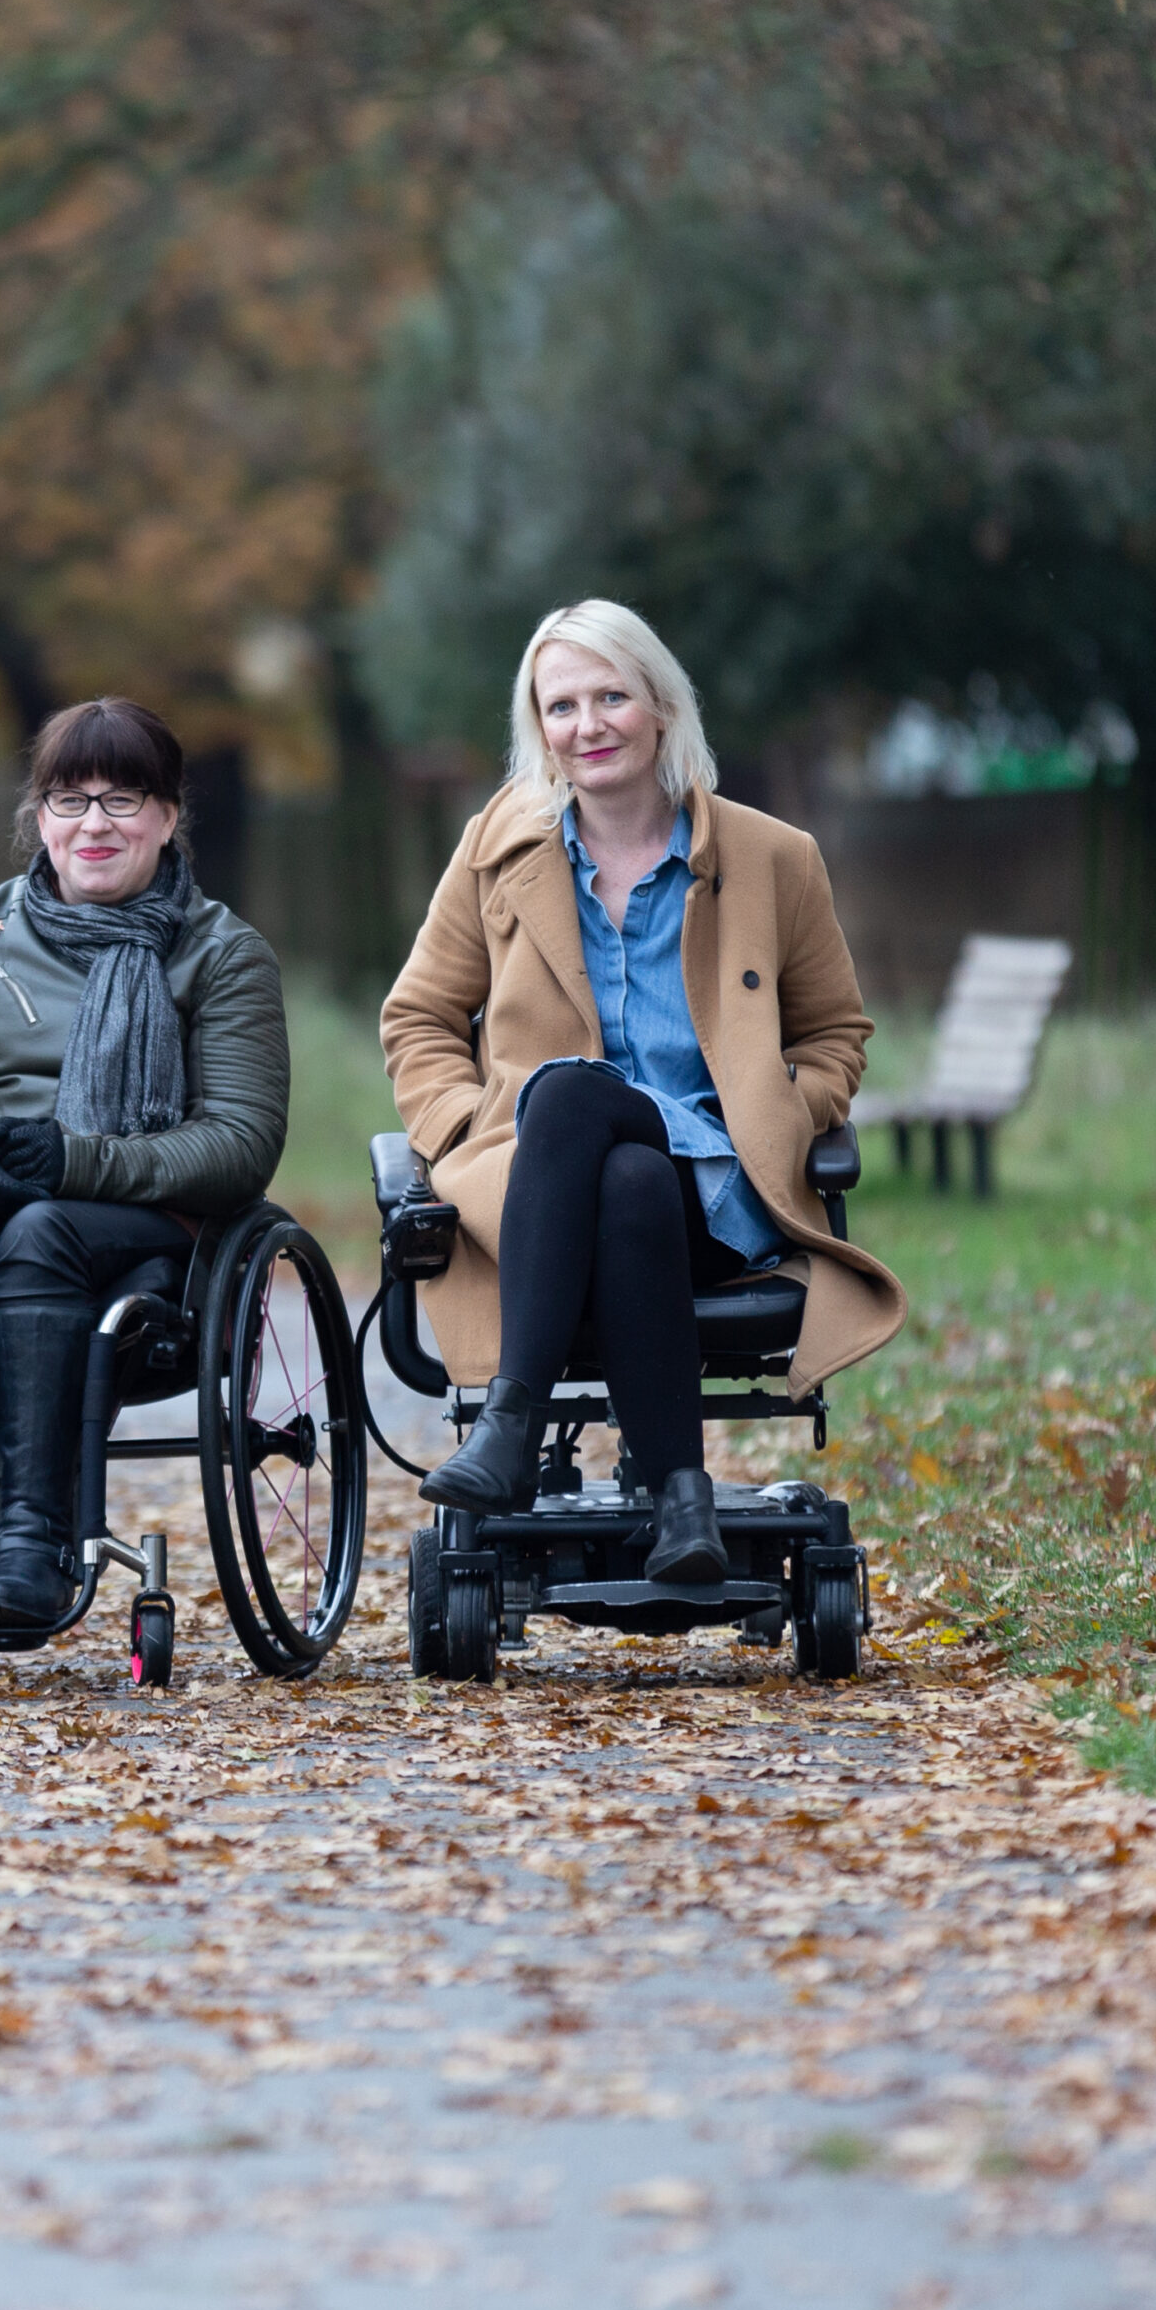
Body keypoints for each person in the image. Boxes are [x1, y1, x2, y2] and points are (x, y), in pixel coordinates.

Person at [380, 600, 903, 1580]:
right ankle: (683, 1505)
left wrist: (787, 1111)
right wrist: (459, 1131)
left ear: (661, 705)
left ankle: (510, 1423)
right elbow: (418, 1020)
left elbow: (836, 1035)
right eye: (562, 706)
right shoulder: (496, 850)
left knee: (572, 1098)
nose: (588, 725)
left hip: (718, 1187)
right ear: (540, 729)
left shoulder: (774, 858)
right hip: (540, 1192)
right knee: (619, 1171)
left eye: (611, 697)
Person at [0, 700, 286, 1630]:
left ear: (168, 816)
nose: (94, 823)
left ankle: (34, 1542)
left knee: (42, 1230)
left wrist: (77, 1160)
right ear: (39, 816)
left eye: (122, 798)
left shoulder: (223, 953)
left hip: (144, 1231)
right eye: (69, 799)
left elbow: (241, 1144)